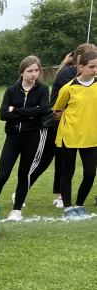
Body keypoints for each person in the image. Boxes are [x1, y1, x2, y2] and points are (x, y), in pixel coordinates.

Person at [0, 55, 52, 221]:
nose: (34, 74)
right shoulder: (11, 91)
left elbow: (43, 110)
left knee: (24, 175)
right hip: (12, 138)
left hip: (33, 137)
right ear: (22, 72)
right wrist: (30, 113)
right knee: (2, 175)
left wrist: (15, 110)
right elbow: (3, 115)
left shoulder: (43, 89)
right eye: (30, 71)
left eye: (36, 70)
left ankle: (16, 210)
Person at [52, 49, 97, 219]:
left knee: (90, 173)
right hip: (69, 136)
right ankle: (68, 208)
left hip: (91, 137)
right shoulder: (68, 88)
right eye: (91, 67)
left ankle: (79, 204)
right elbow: (57, 111)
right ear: (81, 66)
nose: (95, 70)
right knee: (67, 173)